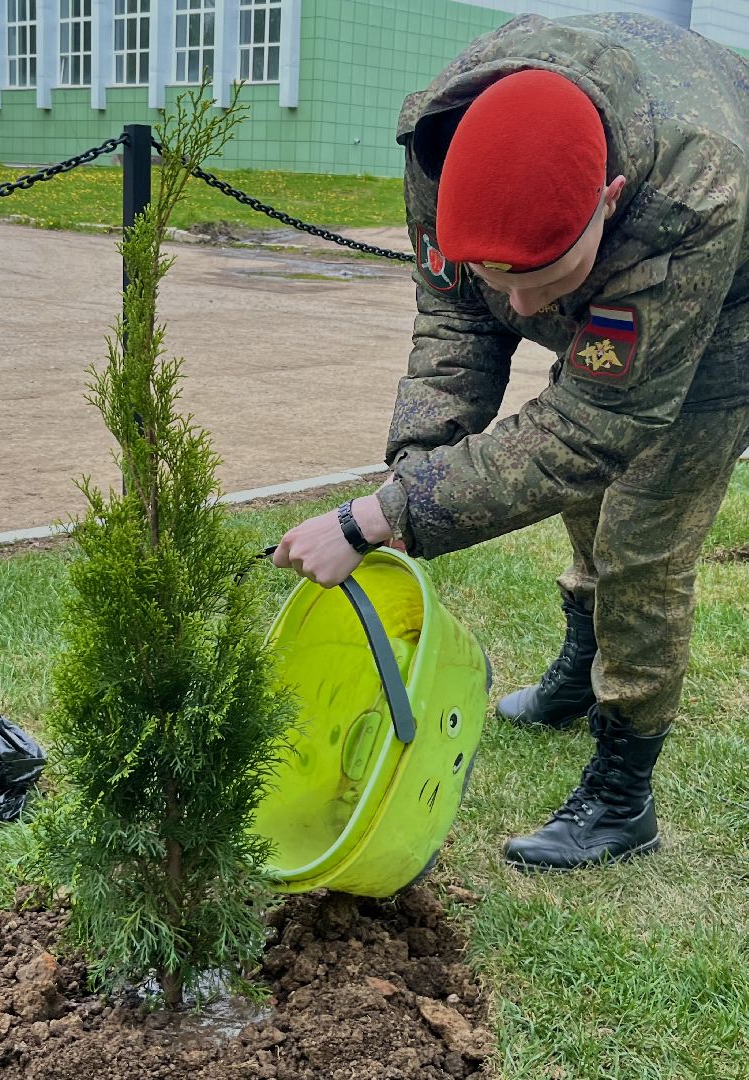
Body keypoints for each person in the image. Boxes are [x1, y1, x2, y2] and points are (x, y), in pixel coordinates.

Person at [273, 12, 749, 872]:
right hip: (619, 248)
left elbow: (595, 426)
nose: (526, 314)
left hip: (723, 308)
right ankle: (582, 658)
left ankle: (620, 790)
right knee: (576, 487)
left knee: (642, 534)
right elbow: (454, 313)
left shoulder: (691, 191)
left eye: (546, 282)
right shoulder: (442, 149)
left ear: (607, 202)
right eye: (506, 280)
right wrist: (418, 464)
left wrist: (376, 519)